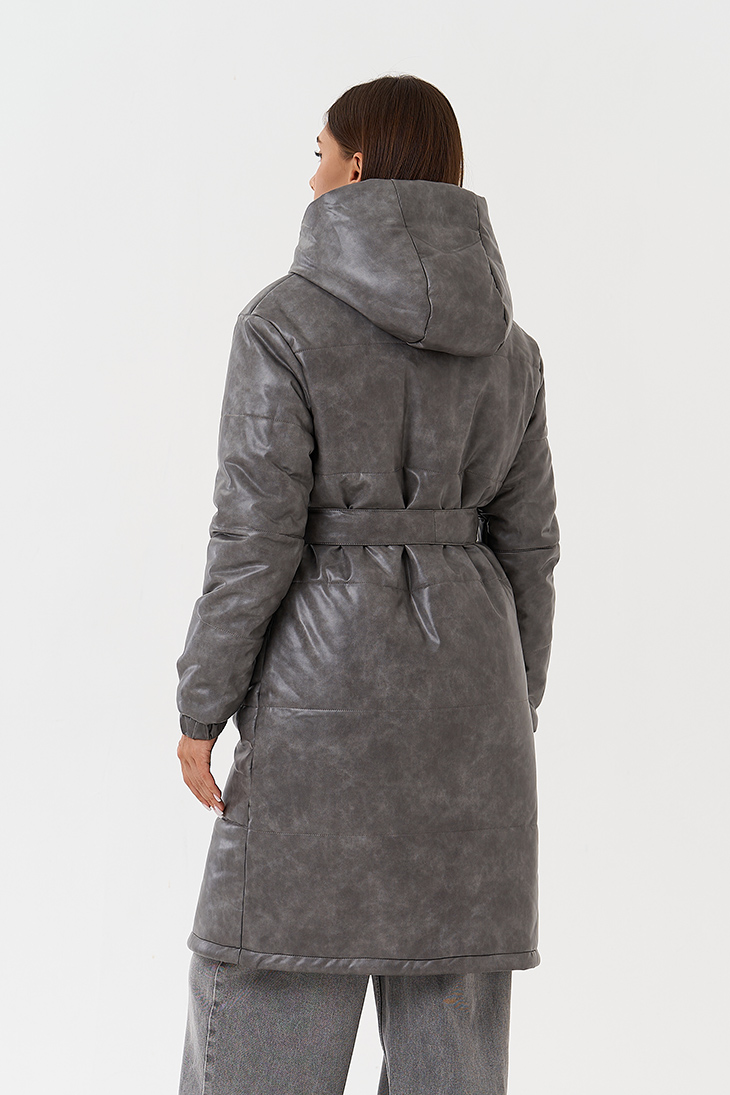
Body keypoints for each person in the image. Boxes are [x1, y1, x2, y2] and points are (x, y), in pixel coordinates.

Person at [175, 74, 560, 1095]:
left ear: (356, 165)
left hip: (321, 703)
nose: (310, 179)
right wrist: (513, 700)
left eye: (318, 154)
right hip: (475, 709)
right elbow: (530, 546)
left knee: (267, 1000)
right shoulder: (512, 348)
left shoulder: (282, 324)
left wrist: (202, 704)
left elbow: (253, 535)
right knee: (452, 1050)